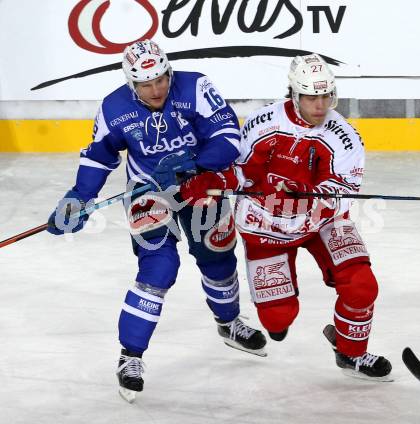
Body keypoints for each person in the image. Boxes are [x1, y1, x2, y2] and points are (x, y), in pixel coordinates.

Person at [46, 39, 266, 402]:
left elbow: (229, 137)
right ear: (132, 84)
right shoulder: (114, 107)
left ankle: (228, 323)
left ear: (169, 71)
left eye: (161, 79)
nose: (156, 89)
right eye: (146, 84)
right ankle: (130, 356)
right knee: (159, 268)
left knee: (218, 259)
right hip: (147, 193)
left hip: (198, 185)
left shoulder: (196, 86)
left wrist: (197, 166)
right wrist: (79, 197)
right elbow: (100, 157)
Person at [180, 53, 392, 380]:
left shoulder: (344, 135)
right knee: (278, 320)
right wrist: (213, 182)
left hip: (322, 221)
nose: (320, 105)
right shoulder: (263, 123)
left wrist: (304, 190)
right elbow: (240, 171)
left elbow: (343, 187)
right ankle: (279, 315)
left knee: (362, 285)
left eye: (326, 96)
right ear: (293, 93)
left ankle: (352, 353)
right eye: (311, 96)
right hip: (265, 224)